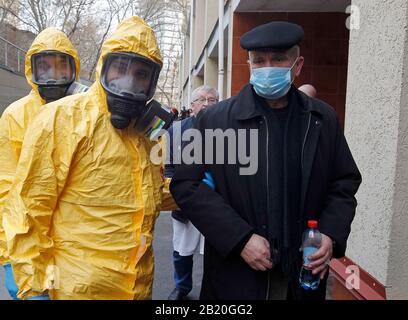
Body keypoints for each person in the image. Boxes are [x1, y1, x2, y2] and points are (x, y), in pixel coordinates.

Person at [170, 21, 361, 300]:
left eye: (278, 59)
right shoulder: (214, 120)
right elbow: (187, 185)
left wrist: (330, 234)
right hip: (236, 278)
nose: (267, 67)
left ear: (297, 65)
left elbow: (343, 181)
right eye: (259, 61)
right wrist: (240, 239)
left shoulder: (321, 120)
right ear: (249, 65)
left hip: (302, 277)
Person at [2, 16, 175, 300]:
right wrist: (34, 286)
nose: (129, 81)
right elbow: (29, 210)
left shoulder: (147, 133)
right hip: (76, 288)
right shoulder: (61, 119)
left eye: (141, 75)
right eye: (121, 68)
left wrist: (191, 191)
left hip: (137, 287)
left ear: (153, 81)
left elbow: (145, 195)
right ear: (103, 66)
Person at [0, 27, 81, 299]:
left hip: (73, 242)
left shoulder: (83, 114)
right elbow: (5, 185)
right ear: (31, 69)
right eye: (44, 66)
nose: (53, 75)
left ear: (73, 68)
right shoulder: (16, 116)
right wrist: (7, 253)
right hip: (27, 242)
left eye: (61, 66)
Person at [166, 85, 219, 300]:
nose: (206, 103)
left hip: (216, 204)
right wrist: (177, 196)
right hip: (185, 203)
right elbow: (168, 167)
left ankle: (212, 290)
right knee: (182, 251)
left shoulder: (227, 129)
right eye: (202, 99)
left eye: (212, 99)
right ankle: (182, 287)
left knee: (215, 253)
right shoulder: (176, 131)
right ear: (192, 104)